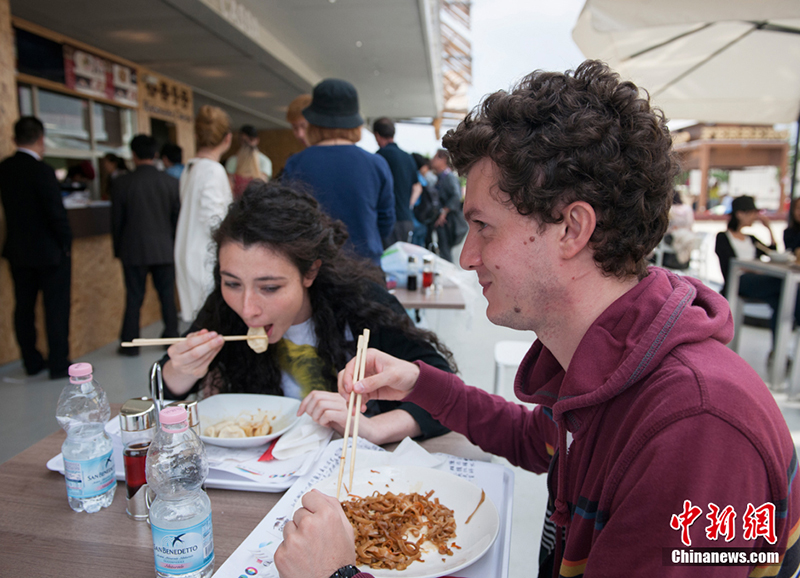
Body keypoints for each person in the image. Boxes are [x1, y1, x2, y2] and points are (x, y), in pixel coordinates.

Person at [275, 61, 800, 578]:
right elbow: (537, 440)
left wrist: (338, 576)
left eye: (483, 226)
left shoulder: (696, 427)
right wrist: (419, 382)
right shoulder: (615, 359)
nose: (466, 256)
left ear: (573, 228)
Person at [159, 181, 452, 444]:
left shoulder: (360, 302)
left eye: (270, 287)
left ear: (310, 272)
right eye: (232, 283)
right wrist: (180, 371)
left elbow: (446, 391)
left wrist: (373, 428)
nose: (247, 308)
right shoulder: (224, 309)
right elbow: (163, 390)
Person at [282, 79, 395, 267]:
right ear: (355, 123)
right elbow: (386, 222)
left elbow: (288, 219)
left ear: (312, 122)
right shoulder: (377, 164)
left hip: (314, 267)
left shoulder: (296, 163)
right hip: (365, 265)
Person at [0, 116, 72, 379]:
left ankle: (31, 361)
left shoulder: (5, 168)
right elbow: (55, 213)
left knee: (24, 307)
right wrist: (66, 242)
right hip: (50, 252)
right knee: (55, 308)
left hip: (18, 251)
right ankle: (57, 362)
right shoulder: (42, 170)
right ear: (41, 139)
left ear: (14, 139)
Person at [110, 134, 181, 355]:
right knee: (167, 296)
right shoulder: (170, 182)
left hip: (133, 249)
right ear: (156, 154)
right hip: (164, 248)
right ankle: (171, 338)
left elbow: (116, 220)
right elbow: (176, 218)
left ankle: (130, 343)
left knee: (133, 297)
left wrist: (118, 249)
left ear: (133, 155)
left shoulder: (121, 183)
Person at [715, 195, 799, 352]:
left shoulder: (751, 238)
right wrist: (754, 268)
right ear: (740, 213)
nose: (755, 217)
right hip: (738, 282)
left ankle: (777, 351)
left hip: (757, 281)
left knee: (779, 301)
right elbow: (729, 266)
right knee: (784, 285)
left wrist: (769, 229)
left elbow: (773, 253)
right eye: (752, 213)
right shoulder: (723, 237)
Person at [174, 105, 233, 323]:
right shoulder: (213, 170)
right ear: (227, 139)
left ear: (197, 136)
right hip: (204, 259)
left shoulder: (190, 168)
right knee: (211, 323)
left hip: (187, 253)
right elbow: (214, 220)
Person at [373, 117, 421, 246]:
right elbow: (417, 187)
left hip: (387, 221)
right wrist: (407, 204)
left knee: (387, 262)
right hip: (406, 220)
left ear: (377, 135)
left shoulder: (379, 157)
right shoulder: (408, 157)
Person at [428, 149, 466, 262]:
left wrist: (444, 212)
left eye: (435, 157)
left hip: (448, 221)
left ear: (443, 159)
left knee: (445, 252)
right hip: (443, 220)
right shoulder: (440, 177)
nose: (432, 160)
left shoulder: (449, 177)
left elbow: (456, 196)